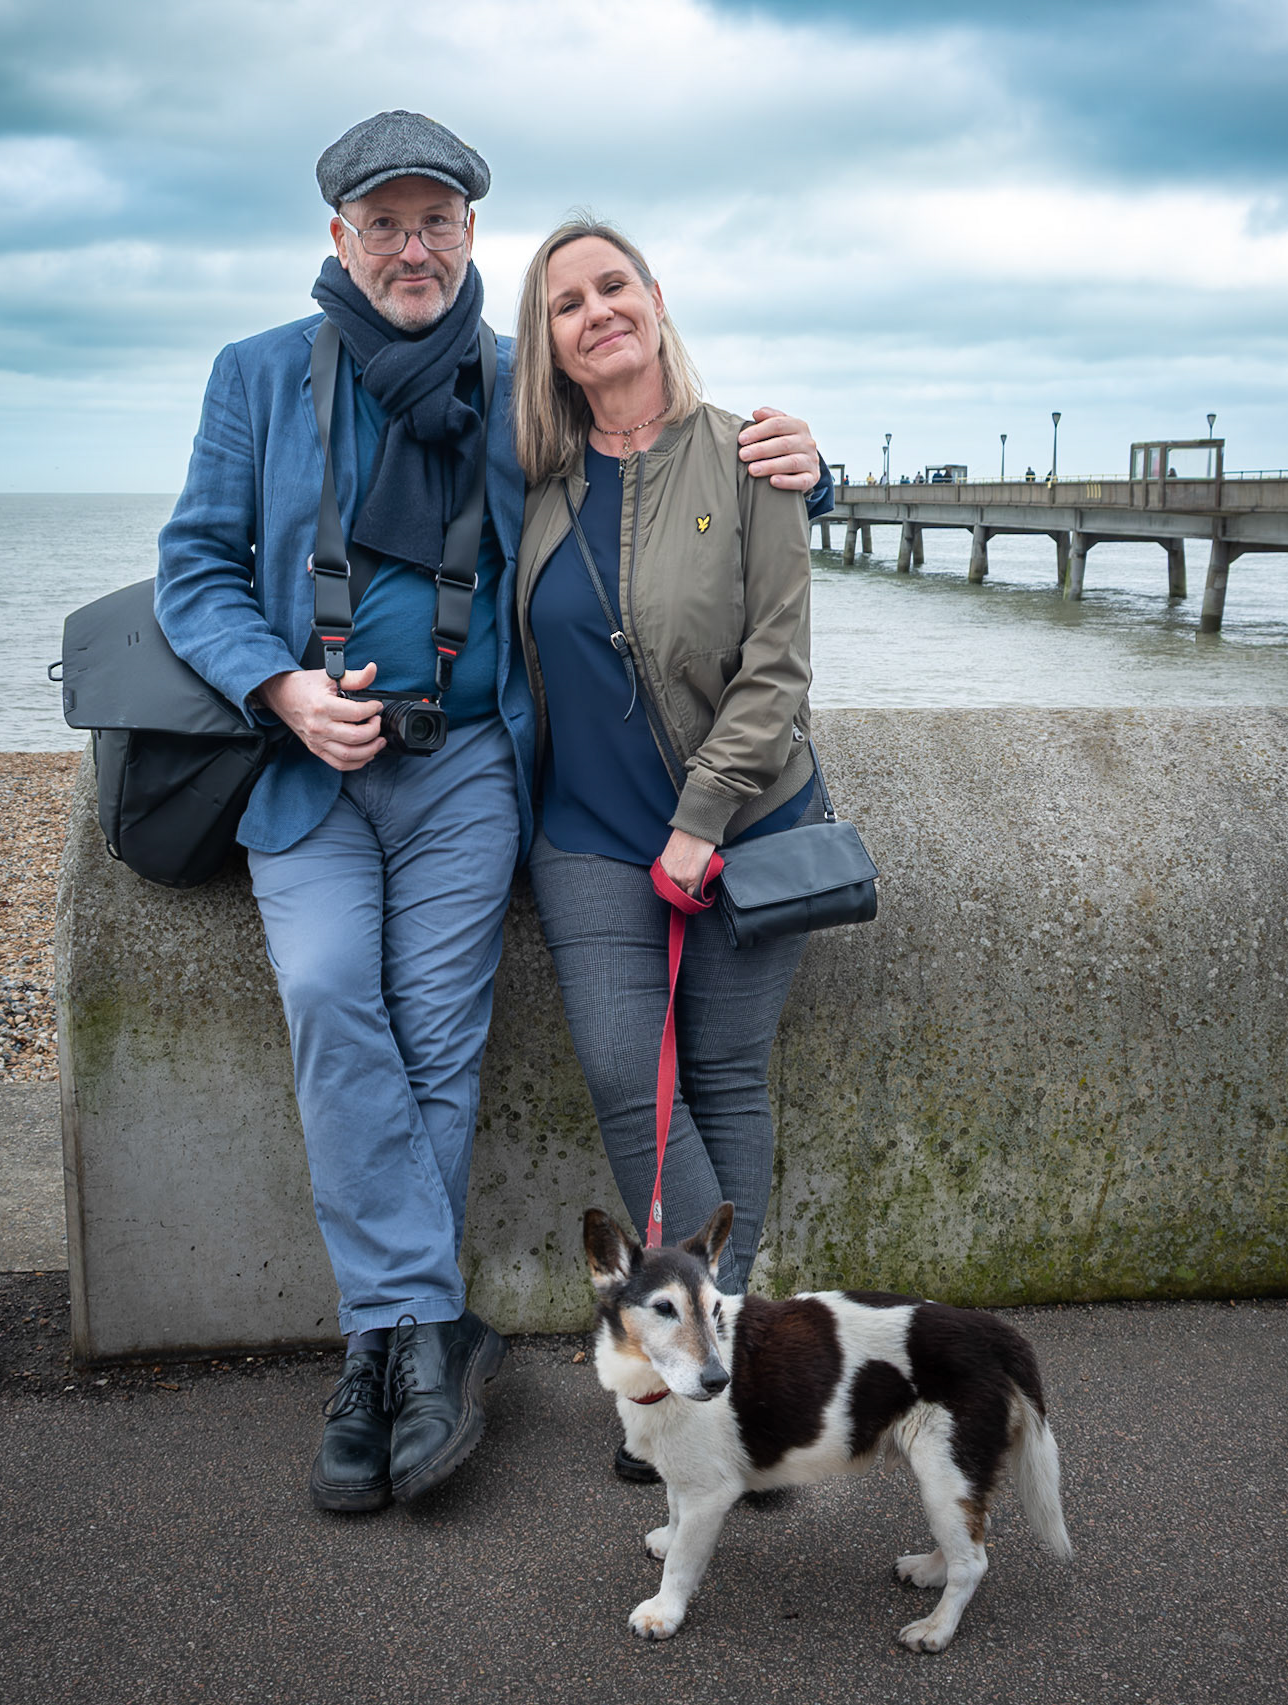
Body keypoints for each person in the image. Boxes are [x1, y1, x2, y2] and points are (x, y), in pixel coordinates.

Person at [155, 112, 830, 1515]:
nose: (414, 246)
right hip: (309, 765)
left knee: (443, 1033)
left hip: (468, 763)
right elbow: (195, 568)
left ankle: (409, 1347)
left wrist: (815, 470)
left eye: (438, 221)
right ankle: (407, 1327)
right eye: (384, 223)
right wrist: (280, 686)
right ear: (338, 238)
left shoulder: (524, 378)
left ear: (472, 235)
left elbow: (668, 455)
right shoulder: (260, 375)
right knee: (337, 995)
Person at [508, 218, 820, 1483]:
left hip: (747, 827)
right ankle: (722, 1370)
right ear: (550, 345)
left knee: (731, 1084)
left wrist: (702, 820)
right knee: (627, 1080)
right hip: (583, 836)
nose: (595, 312)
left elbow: (778, 664)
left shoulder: (749, 457)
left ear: (653, 297)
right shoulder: (528, 480)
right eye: (565, 303)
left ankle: (710, 1391)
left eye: (612, 286)